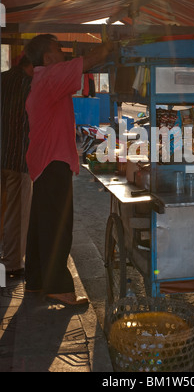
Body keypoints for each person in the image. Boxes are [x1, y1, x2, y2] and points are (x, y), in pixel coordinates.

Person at [24, 34, 114, 306]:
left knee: (42, 223)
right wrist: (110, 43)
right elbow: (91, 60)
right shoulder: (51, 76)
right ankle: (59, 287)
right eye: (58, 50)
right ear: (48, 58)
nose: (63, 53)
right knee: (57, 225)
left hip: (44, 162)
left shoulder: (42, 80)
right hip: (53, 162)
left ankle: (37, 280)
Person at [1, 55, 33, 277]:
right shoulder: (30, 84)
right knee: (16, 213)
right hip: (17, 157)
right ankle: (12, 263)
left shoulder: (2, 79)